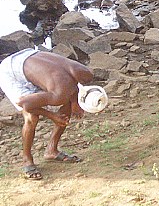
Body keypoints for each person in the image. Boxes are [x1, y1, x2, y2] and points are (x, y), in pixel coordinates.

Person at [0, 48, 108, 180]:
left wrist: (74, 102)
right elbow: (24, 103)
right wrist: (53, 116)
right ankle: (27, 160)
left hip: (28, 56)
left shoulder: (84, 72)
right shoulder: (58, 96)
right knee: (32, 117)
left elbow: (74, 84)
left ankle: (52, 151)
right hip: (10, 71)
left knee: (68, 104)